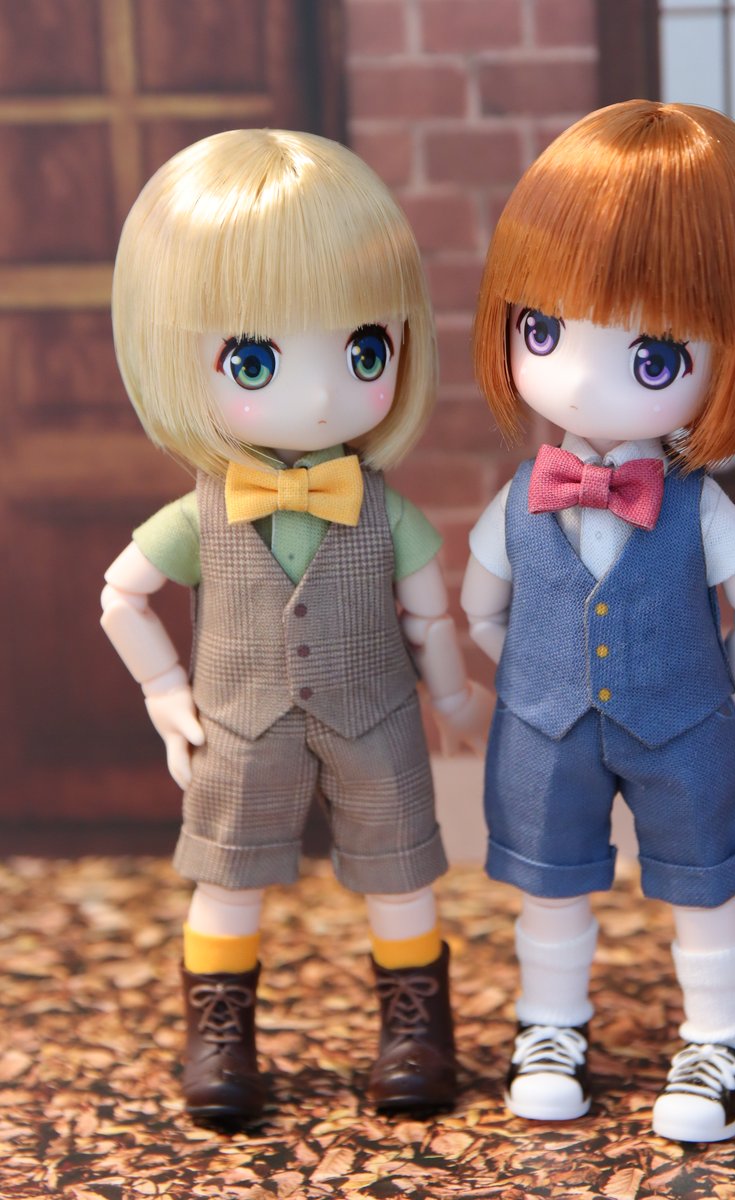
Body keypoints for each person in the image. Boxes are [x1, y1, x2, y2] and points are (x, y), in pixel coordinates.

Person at [101, 128, 489, 1128]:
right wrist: (164, 692)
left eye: (364, 352)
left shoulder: (385, 511)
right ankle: (219, 1035)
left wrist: (451, 698)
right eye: (256, 359)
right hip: (240, 721)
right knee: (226, 880)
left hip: (375, 717)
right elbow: (121, 597)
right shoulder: (200, 515)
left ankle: (416, 1028)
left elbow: (428, 612)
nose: (319, 396)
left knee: (401, 875)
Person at [461, 100, 735, 1142]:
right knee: (547, 884)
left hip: (677, 725)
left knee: (705, 882)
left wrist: (724, 688)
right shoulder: (520, 499)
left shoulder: (698, 506)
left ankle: (724, 1038)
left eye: (653, 355)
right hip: (548, 724)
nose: (577, 377)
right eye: (543, 330)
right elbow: (484, 604)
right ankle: (548, 1028)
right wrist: (534, 673)